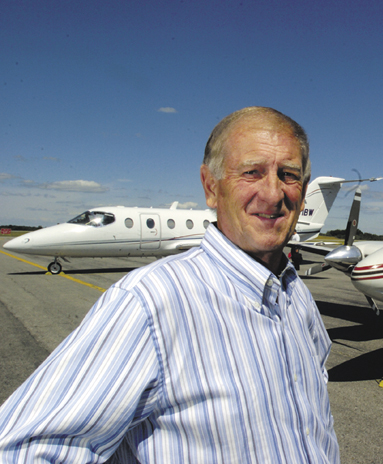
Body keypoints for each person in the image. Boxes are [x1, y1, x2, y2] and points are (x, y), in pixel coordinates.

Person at [0, 107, 340, 463]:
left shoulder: (295, 293)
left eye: (288, 175)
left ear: (302, 193)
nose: (273, 194)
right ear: (211, 187)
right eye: (251, 172)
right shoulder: (148, 304)